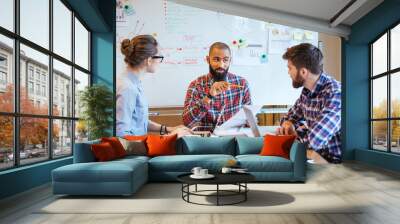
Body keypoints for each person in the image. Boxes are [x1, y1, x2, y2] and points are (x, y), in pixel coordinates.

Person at [276, 43, 342, 164]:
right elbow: (289, 117)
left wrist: (295, 132)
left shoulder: (335, 93)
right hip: (315, 156)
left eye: (290, 68)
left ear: (303, 72)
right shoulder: (307, 91)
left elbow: (315, 140)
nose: (288, 73)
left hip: (334, 164)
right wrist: (288, 123)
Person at [116, 35, 191, 137]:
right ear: (149, 60)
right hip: (134, 151)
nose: (160, 62)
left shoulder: (134, 83)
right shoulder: (127, 88)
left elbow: (140, 122)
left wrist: (169, 129)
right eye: (159, 57)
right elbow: (122, 136)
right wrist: (172, 136)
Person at [182, 42, 251, 131]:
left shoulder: (242, 84)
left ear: (230, 60)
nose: (221, 65)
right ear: (208, 60)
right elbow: (187, 122)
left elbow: (250, 116)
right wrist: (209, 96)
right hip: (206, 140)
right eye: (216, 59)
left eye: (225, 60)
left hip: (234, 137)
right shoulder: (196, 85)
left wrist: (251, 121)